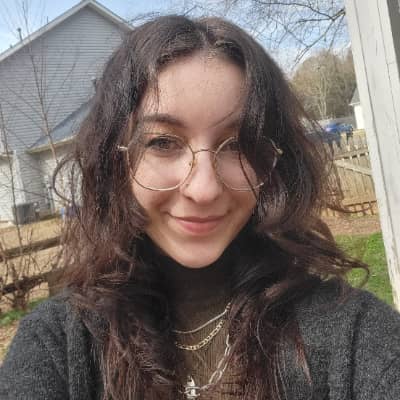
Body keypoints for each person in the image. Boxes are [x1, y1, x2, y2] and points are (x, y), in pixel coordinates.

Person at [1, 15, 400, 400]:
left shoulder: (354, 336)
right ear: (114, 160)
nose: (204, 189)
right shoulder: (57, 347)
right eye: (162, 142)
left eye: (238, 144)